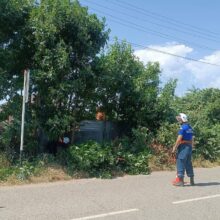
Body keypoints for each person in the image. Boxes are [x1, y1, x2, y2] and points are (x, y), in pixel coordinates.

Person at [172, 113, 195, 186]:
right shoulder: (190, 127)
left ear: (182, 119)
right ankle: (192, 181)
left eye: (180, 119)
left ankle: (181, 181)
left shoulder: (183, 128)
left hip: (183, 147)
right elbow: (192, 139)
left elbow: (179, 139)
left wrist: (174, 148)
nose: (179, 120)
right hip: (189, 147)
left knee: (180, 161)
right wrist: (192, 146)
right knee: (188, 163)